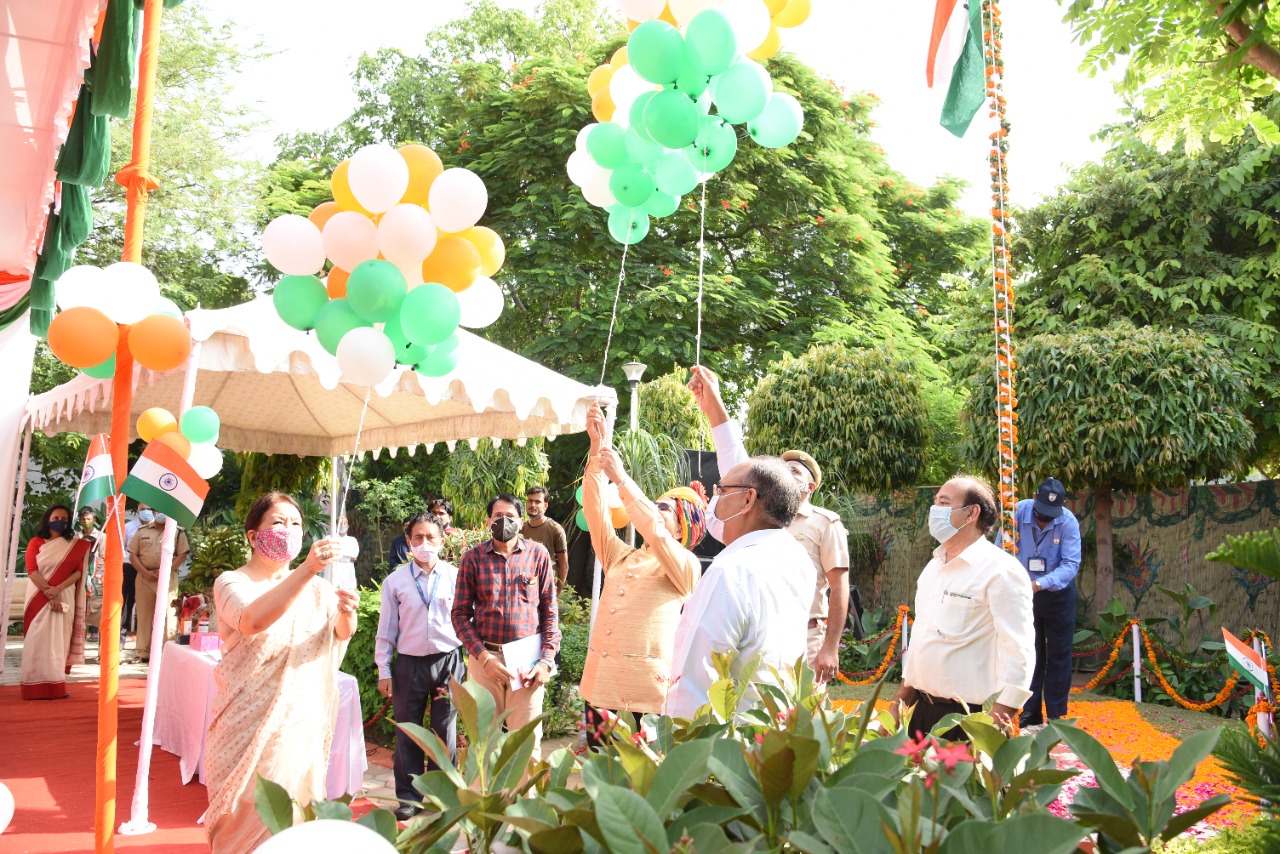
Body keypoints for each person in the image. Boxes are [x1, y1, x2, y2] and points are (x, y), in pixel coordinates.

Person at [203, 492, 357, 853]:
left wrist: (348, 612)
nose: (289, 530)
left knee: (295, 820)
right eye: (278, 522)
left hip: (299, 725)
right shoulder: (232, 582)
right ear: (253, 536)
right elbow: (251, 620)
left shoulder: (319, 589)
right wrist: (307, 570)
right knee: (243, 818)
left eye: (296, 524)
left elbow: (340, 633)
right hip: (244, 723)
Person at [688, 365, 851, 686]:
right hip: (752, 637)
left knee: (794, 709)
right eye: (782, 468)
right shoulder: (749, 522)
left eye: (795, 472)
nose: (719, 498)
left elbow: (839, 586)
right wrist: (713, 407)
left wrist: (830, 647)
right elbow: (734, 458)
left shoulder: (823, 524)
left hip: (801, 635)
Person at [580, 402, 704, 744]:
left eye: (662, 507)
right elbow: (594, 511)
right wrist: (596, 450)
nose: (652, 509)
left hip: (646, 698)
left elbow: (654, 531)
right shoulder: (621, 556)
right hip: (600, 688)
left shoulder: (686, 566)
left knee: (643, 776)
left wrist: (622, 479)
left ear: (681, 528)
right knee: (599, 775)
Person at [665, 455, 811, 720]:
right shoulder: (799, 560)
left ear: (748, 499)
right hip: (773, 726)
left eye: (721, 490)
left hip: (725, 734)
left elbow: (696, 679)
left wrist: (673, 737)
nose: (714, 501)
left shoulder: (730, 570)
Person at [890, 476, 1035, 739]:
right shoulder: (934, 566)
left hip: (970, 720)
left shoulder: (1001, 571)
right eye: (935, 502)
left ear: (971, 513)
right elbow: (921, 641)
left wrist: (990, 730)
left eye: (944, 503)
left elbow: (1019, 654)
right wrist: (896, 707)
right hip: (920, 712)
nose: (935, 510)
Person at [451, 494, 560, 759]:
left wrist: (546, 662)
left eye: (510, 516)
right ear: (488, 521)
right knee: (483, 745)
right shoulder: (473, 558)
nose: (504, 521)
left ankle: (525, 790)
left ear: (521, 522)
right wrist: (484, 657)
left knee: (525, 746)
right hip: (485, 661)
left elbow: (550, 613)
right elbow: (460, 615)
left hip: (527, 664)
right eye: (498, 516)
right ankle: (485, 790)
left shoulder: (538, 555)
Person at [375, 513, 465, 820]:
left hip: (448, 662)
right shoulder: (395, 582)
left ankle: (443, 795)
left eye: (430, 537)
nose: (424, 543)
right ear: (409, 541)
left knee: (445, 733)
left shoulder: (456, 577)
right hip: (409, 666)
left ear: (441, 540)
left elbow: (468, 620)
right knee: (408, 731)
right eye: (418, 537)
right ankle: (408, 797)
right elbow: (386, 630)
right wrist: (384, 670)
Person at [1006, 477, 1082, 729]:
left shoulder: (1068, 522)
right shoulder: (1015, 513)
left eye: (1050, 515)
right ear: (1034, 500)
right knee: (1030, 652)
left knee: (1060, 654)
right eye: (1041, 513)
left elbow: (1070, 564)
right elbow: (1001, 550)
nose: (1044, 520)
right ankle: (1030, 712)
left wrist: (1039, 583)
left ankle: (1057, 714)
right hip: (1024, 594)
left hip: (1058, 595)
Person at [20, 505, 93, 699]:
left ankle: (56, 686)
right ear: (47, 520)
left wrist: (58, 589)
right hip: (38, 596)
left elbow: (78, 572)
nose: (60, 521)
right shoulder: (36, 542)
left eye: (64, 518)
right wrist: (51, 594)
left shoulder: (73, 544)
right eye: (56, 517)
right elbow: (32, 571)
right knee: (37, 639)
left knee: (59, 641)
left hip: (64, 595)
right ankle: (33, 687)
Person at [126, 504, 191, 664]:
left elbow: (182, 555)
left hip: (168, 577)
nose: (161, 513)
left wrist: (165, 570)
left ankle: (166, 652)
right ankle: (143, 652)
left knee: (168, 614)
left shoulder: (177, 532)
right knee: (144, 614)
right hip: (144, 577)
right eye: (158, 510)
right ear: (154, 512)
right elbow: (133, 554)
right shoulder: (142, 531)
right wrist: (145, 572)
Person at [521, 486, 569, 591]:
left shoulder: (555, 530)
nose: (533, 505)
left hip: (545, 589)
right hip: (522, 589)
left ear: (545, 505)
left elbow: (564, 566)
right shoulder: (520, 529)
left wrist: (556, 594)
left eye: (537, 502)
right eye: (530, 501)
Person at [77, 507, 106, 643]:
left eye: (88, 519)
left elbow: (104, 558)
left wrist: (96, 576)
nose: (86, 521)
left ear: (93, 519)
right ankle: (78, 647)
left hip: (97, 580)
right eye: (83, 519)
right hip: (79, 579)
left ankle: (102, 648)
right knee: (79, 614)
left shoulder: (102, 537)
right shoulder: (76, 537)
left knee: (98, 613)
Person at [121, 507, 144, 644]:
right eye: (143, 509)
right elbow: (122, 548)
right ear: (138, 510)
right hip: (129, 568)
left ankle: (144, 640)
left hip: (149, 570)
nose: (146, 512)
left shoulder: (158, 527)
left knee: (145, 603)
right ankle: (121, 636)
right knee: (126, 602)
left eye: (149, 509)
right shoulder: (129, 526)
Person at [327, 514, 359, 592]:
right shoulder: (329, 538)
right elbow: (329, 553)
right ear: (336, 526)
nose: (343, 525)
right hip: (333, 571)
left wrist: (338, 554)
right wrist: (347, 557)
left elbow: (354, 556)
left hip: (348, 574)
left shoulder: (352, 540)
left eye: (345, 523)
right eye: (340, 524)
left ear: (348, 525)